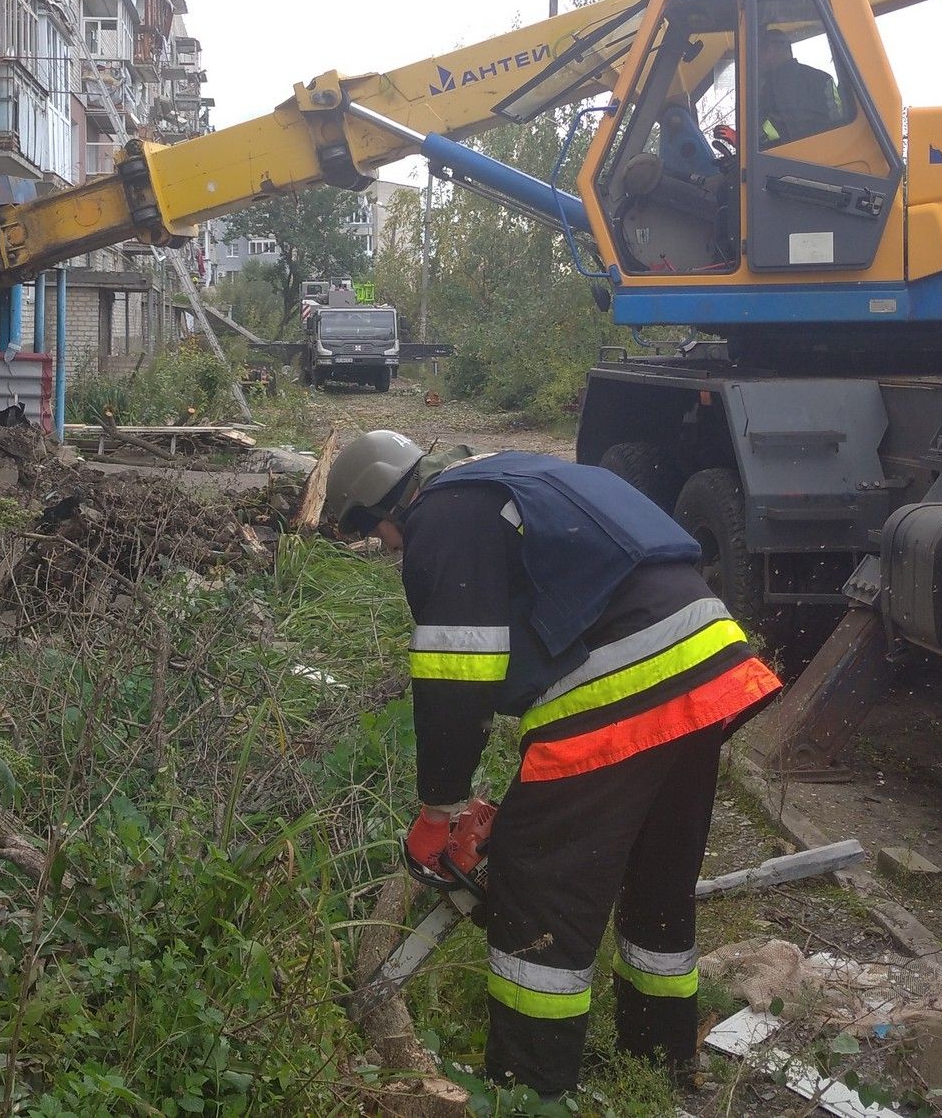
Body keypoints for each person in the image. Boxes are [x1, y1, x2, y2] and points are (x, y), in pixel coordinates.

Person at [324, 431, 783, 1097]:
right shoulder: (507, 484)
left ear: (381, 507)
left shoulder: (440, 519)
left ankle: (529, 1090)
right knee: (658, 872)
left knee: (537, 875)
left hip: (626, 676)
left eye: (377, 532)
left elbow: (457, 676)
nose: (391, 547)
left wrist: (439, 809)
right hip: (706, 661)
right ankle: (661, 1059)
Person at [757, 29, 841, 147]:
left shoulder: (766, 89)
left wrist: (742, 141)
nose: (759, 58)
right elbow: (838, 120)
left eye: (761, 51)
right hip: (829, 149)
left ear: (775, 50)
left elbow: (769, 132)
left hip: (785, 158)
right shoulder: (823, 78)